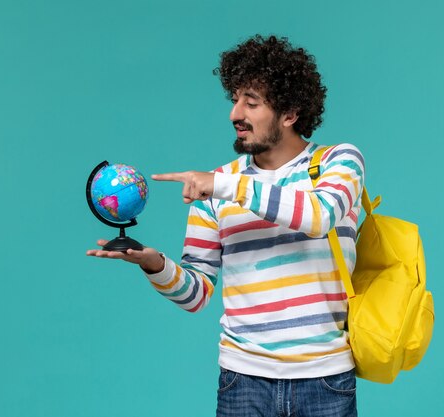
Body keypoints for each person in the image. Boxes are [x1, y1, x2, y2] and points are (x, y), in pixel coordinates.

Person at [87, 34, 365, 417]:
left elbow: (319, 215)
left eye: (250, 102)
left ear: (289, 113)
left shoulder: (339, 162)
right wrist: (154, 264)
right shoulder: (215, 185)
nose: (235, 114)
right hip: (242, 381)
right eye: (234, 100)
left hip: (325, 381)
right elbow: (196, 293)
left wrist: (222, 185)